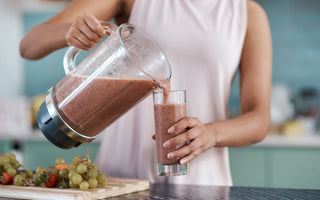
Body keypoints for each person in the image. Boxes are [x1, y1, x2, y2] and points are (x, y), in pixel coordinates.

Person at [20, 0, 272, 186]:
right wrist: (70, 33)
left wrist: (211, 134)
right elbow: (29, 45)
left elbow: (259, 120)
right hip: (120, 181)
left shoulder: (247, 14)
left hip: (204, 184)